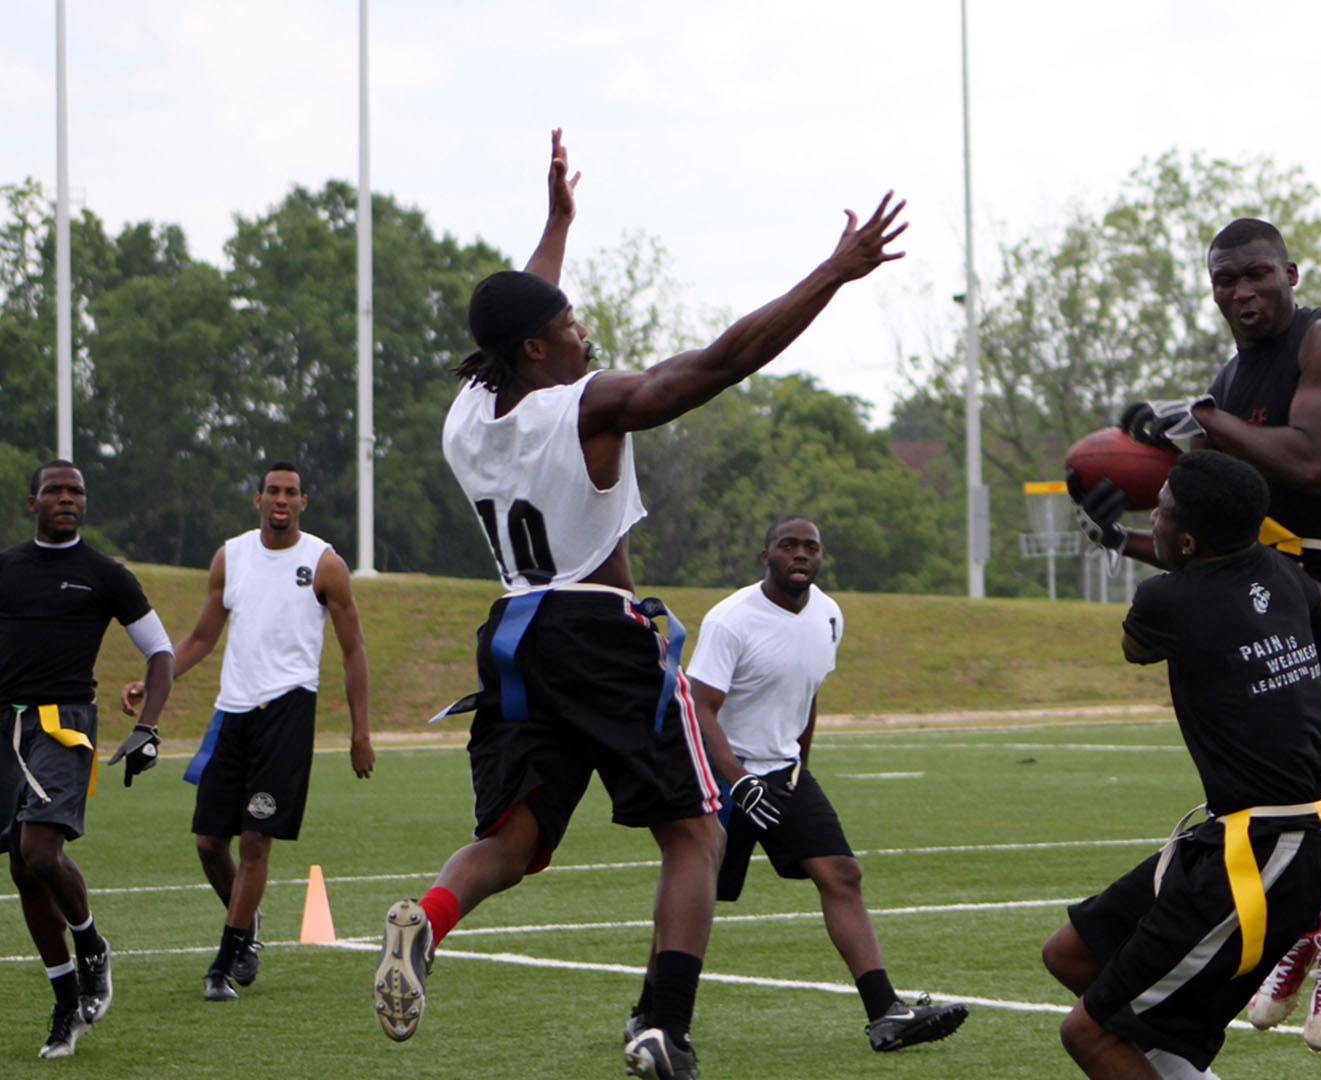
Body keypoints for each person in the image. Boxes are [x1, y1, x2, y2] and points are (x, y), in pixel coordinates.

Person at [370, 128, 905, 1080]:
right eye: (570, 325)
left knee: (515, 840)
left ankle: (429, 919)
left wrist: (556, 226)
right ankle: (663, 1025)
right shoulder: (585, 405)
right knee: (697, 832)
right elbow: (721, 360)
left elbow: (515, 319)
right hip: (596, 630)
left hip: (513, 637)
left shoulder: (468, 414)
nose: (585, 331)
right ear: (538, 349)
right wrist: (832, 274)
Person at [1088, 218, 1321, 1049]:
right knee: (1284, 775)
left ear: (1289, 270)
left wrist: (1199, 418)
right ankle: (1299, 927)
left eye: (1256, 274)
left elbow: (1312, 462)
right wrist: (1119, 530)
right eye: (1225, 282)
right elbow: (1213, 540)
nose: (1242, 292)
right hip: (1297, 585)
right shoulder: (1229, 377)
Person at [1044, 450, 1321, 1080]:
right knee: (1073, 955)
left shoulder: (1165, 604)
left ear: (1185, 539)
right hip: (1236, 837)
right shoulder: (1284, 578)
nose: (1148, 514)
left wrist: (1114, 540)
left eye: (1158, 509)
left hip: (1267, 853)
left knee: (1089, 1036)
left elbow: (1136, 648)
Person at [651, 513, 968, 1054]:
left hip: (784, 773)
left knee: (842, 873)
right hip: (720, 774)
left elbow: (809, 693)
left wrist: (801, 765)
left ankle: (885, 1012)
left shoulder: (829, 614)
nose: (801, 554)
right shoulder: (731, 620)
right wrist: (735, 778)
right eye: (789, 545)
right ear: (766, 555)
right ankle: (650, 1016)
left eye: (812, 547)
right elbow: (698, 706)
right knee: (693, 894)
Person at [122, 461, 373, 1001]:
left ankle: (222, 962)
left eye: (291, 493)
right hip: (231, 715)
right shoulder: (230, 557)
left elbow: (353, 651)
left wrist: (360, 732)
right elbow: (199, 641)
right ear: (257, 498)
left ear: (304, 502)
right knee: (211, 843)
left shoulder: (324, 564)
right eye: (272, 491)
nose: (281, 500)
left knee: (256, 839)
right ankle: (248, 924)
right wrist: (151, 683)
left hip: (288, 713)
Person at [2, 460, 175, 1059]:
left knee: (39, 850)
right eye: (55, 490)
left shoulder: (106, 574)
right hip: (6, 731)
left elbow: (160, 652)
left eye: (76, 491)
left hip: (64, 726)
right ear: (34, 503)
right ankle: (63, 1004)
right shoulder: (6, 568)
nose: (67, 498)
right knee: (23, 870)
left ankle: (92, 943)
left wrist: (148, 727)